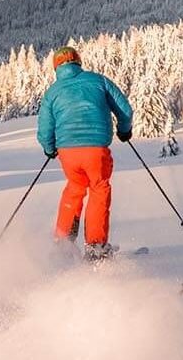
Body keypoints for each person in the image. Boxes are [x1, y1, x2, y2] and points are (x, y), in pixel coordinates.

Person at [37, 45, 134, 259]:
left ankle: (63, 242)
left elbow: (44, 129)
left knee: (75, 188)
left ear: (56, 68)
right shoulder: (98, 81)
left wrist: (50, 148)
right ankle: (96, 247)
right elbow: (125, 109)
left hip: (68, 152)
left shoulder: (52, 93)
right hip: (96, 149)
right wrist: (124, 130)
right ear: (78, 61)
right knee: (99, 189)